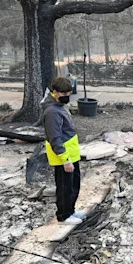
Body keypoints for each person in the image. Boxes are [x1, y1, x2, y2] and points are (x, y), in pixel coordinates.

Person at [43, 77, 86, 225]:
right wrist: (65, 160)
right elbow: (55, 138)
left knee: (74, 185)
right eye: (64, 94)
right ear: (55, 92)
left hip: (71, 154)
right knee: (64, 187)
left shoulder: (59, 106)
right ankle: (64, 215)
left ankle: (71, 210)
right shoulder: (52, 112)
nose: (67, 97)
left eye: (69, 93)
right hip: (63, 157)